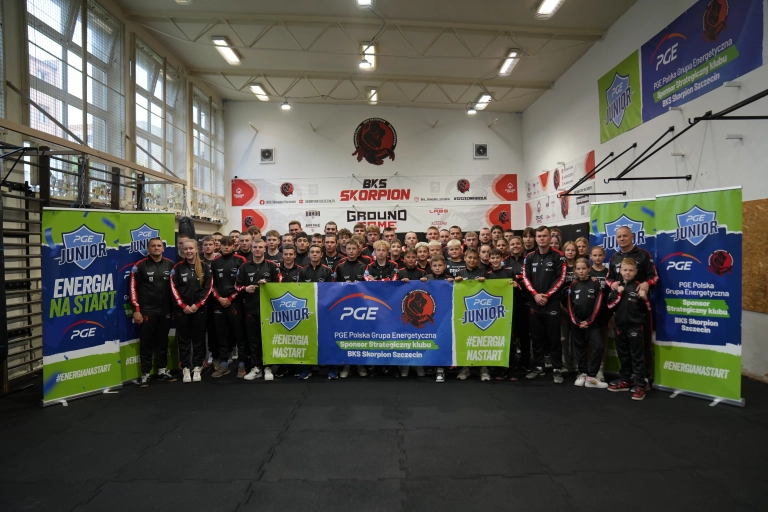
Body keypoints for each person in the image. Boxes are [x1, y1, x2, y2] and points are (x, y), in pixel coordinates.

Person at [606, 226, 658, 381]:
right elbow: (609, 278)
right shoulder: (614, 257)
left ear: (632, 236)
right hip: (621, 309)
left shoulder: (643, 254)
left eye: (625, 236)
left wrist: (647, 283)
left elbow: (654, 276)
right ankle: (626, 378)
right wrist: (613, 284)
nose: (622, 239)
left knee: (641, 347)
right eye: (619, 236)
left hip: (639, 308)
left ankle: (643, 380)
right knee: (623, 348)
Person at [522, 226, 567, 384]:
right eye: (539, 236)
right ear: (535, 238)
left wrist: (547, 295)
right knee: (536, 337)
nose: (542, 238)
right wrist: (535, 294)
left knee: (554, 338)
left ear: (550, 237)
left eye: (545, 236)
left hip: (552, 303)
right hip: (535, 303)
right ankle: (538, 367)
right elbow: (525, 278)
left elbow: (561, 278)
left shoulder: (559, 256)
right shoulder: (529, 257)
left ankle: (556, 368)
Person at [130, 237, 176, 387]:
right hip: (147, 311)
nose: (156, 248)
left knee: (163, 341)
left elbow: (175, 290)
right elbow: (133, 289)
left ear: (163, 248)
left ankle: (162, 371)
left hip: (166, 311)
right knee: (146, 343)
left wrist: (174, 309)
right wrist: (136, 310)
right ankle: (145, 374)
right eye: (153, 246)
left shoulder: (170, 265)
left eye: (159, 246)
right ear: (148, 249)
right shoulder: (139, 266)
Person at [237, 239, 282, 382]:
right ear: (251, 249)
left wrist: (268, 285)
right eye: (255, 247)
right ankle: (256, 367)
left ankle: (268, 367)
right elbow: (237, 286)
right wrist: (246, 289)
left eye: (260, 247)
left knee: (267, 338)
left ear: (265, 249)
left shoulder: (272, 266)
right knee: (254, 340)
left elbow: (280, 285)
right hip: (251, 309)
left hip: (269, 310)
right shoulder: (244, 267)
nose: (257, 249)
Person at [607, 258, 650, 401]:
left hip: (635, 326)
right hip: (620, 326)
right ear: (620, 271)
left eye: (631, 270)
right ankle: (625, 379)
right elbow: (610, 306)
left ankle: (640, 385)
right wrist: (619, 294)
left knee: (637, 357)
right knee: (623, 355)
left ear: (636, 272)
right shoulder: (616, 286)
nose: (627, 272)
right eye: (625, 270)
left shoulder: (639, 287)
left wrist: (644, 299)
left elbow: (648, 310)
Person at [170, 239, 213, 383]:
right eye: (185, 249)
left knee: (199, 340)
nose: (188, 251)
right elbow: (173, 288)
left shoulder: (205, 267)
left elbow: (208, 289)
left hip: (199, 310)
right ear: (182, 251)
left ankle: (198, 366)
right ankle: (186, 367)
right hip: (181, 310)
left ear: (196, 250)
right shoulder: (177, 268)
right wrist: (183, 306)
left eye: (191, 248)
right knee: (184, 341)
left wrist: (197, 305)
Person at [210, 236, 247, 379]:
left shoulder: (240, 260)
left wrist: (231, 298)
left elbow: (242, 282)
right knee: (221, 335)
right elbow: (211, 284)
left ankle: (242, 364)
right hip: (219, 302)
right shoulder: (214, 262)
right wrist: (219, 298)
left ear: (233, 246)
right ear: (219, 246)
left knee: (240, 334)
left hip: (236, 302)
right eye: (223, 244)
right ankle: (224, 364)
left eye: (229, 245)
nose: (226, 247)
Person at [568, 258, 608, 389]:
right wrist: (577, 321)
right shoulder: (573, 285)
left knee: (598, 347)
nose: (581, 271)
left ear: (589, 269)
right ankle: (582, 373)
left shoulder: (595, 284)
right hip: (577, 323)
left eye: (584, 268)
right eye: (578, 269)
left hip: (592, 322)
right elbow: (570, 305)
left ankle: (591, 377)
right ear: (575, 270)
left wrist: (590, 320)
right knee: (580, 348)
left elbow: (598, 303)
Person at [297, 244, 335, 380]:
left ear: (321, 254)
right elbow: (298, 291)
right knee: (307, 340)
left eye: (317, 252)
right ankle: (306, 368)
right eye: (312, 252)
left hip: (325, 311)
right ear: (308, 254)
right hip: (307, 311)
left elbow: (333, 291)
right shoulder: (302, 271)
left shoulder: (328, 271)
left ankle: (331, 368)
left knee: (327, 339)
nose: (314, 254)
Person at [334, 238, 370, 379]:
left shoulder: (364, 266)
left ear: (359, 250)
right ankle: (347, 365)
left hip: (362, 306)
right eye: (349, 248)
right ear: (345, 250)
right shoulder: (340, 267)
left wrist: (360, 285)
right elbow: (333, 286)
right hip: (345, 306)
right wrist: (344, 286)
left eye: (354, 248)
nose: (351, 251)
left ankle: (360, 364)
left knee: (361, 336)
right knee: (347, 335)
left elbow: (370, 286)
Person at [455, 248, 493, 382]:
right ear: (465, 258)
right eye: (470, 257)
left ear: (478, 260)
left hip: (481, 313)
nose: (472, 260)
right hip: (464, 312)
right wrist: (455, 281)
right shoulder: (460, 273)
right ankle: (465, 368)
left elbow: (493, 289)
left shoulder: (485, 273)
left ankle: (484, 368)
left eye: (475, 258)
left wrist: (487, 282)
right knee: (465, 340)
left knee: (481, 340)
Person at [499, 236, 529, 380]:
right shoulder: (504, 261)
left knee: (524, 334)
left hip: (525, 301)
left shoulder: (528, 260)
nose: (515, 246)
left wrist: (520, 285)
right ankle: (508, 364)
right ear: (508, 247)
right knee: (509, 335)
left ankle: (526, 362)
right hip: (507, 303)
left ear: (522, 246)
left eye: (518, 244)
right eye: (512, 244)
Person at [423, 254, 452, 383]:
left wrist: (455, 282)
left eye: (440, 265)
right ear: (431, 266)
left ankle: (441, 368)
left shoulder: (449, 278)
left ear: (445, 266)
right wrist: (420, 283)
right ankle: (429, 365)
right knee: (429, 340)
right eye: (435, 265)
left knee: (442, 341)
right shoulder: (427, 278)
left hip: (444, 315)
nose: (437, 268)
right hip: (429, 315)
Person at [589, 245, 610, 382]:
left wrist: (612, 313)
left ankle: (601, 368)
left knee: (603, 339)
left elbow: (613, 293)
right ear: (590, 256)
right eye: (595, 255)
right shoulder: (587, 271)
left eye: (600, 255)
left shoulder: (609, 273)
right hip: (590, 311)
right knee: (590, 341)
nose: (597, 258)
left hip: (604, 310)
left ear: (604, 256)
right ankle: (590, 367)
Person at [560, 241, 578, 375]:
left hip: (577, 309)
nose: (570, 252)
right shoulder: (560, 267)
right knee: (563, 338)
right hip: (563, 307)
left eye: (573, 250)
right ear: (564, 251)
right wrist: (560, 306)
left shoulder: (580, 266)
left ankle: (577, 365)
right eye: (568, 250)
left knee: (577, 338)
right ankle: (565, 365)